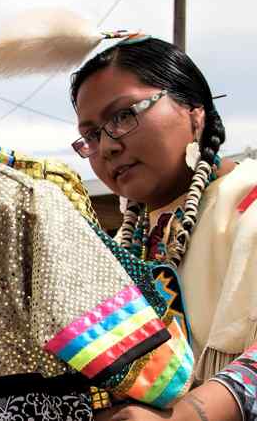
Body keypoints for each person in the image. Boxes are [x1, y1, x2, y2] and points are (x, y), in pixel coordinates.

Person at [67, 38, 255, 420]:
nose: (106, 147)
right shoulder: (116, 250)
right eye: (91, 136)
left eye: (122, 116)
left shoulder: (248, 206)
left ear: (193, 111)